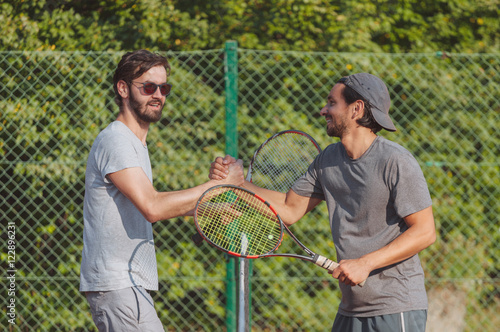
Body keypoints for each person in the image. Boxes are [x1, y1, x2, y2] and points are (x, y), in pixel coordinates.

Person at [210, 73, 436, 332]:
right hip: (350, 310)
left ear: (356, 109)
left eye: (331, 103)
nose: (323, 110)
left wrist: (365, 263)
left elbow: (425, 232)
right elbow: (289, 208)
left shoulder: (396, 161)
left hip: (397, 308)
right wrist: (236, 183)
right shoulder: (328, 159)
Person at [80, 49, 244, 332]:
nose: (158, 94)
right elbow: (153, 206)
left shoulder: (135, 144)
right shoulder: (116, 141)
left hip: (129, 285)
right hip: (118, 283)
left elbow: (150, 207)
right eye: (148, 87)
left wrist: (210, 205)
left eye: (163, 87)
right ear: (123, 88)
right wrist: (220, 185)